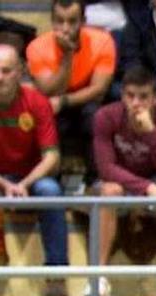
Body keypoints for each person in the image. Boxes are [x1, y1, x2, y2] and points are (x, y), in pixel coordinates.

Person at [90, 66, 156, 296]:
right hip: (122, 181)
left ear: (155, 98)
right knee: (109, 191)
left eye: (144, 97)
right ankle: (98, 277)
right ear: (122, 95)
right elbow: (106, 168)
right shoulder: (106, 116)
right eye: (130, 96)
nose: (136, 103)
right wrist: (147, 188)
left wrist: (152, 133)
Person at [0, 43, 69, 296]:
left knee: (50, 191)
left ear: (20, 72)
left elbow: (52, 156)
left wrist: (23, 184)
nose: (0, 77)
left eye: (6, 71)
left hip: (32, 178)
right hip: (0, 180)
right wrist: (5, 186)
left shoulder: (37, 102)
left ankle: (56, 274)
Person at [26, 0, 116, 185]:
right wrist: (67, 56)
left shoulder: (103, 41)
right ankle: (52, 181)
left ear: (83, 21)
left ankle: (97, 181)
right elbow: (47, 90)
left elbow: (99, 90)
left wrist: (65, 101)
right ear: (52, 21)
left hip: (85, 101)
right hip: (53, 103)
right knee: (46, 116)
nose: (65, 28)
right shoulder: (36, 47)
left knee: (95, 117)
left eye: (72, 21)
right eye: (59, 21)